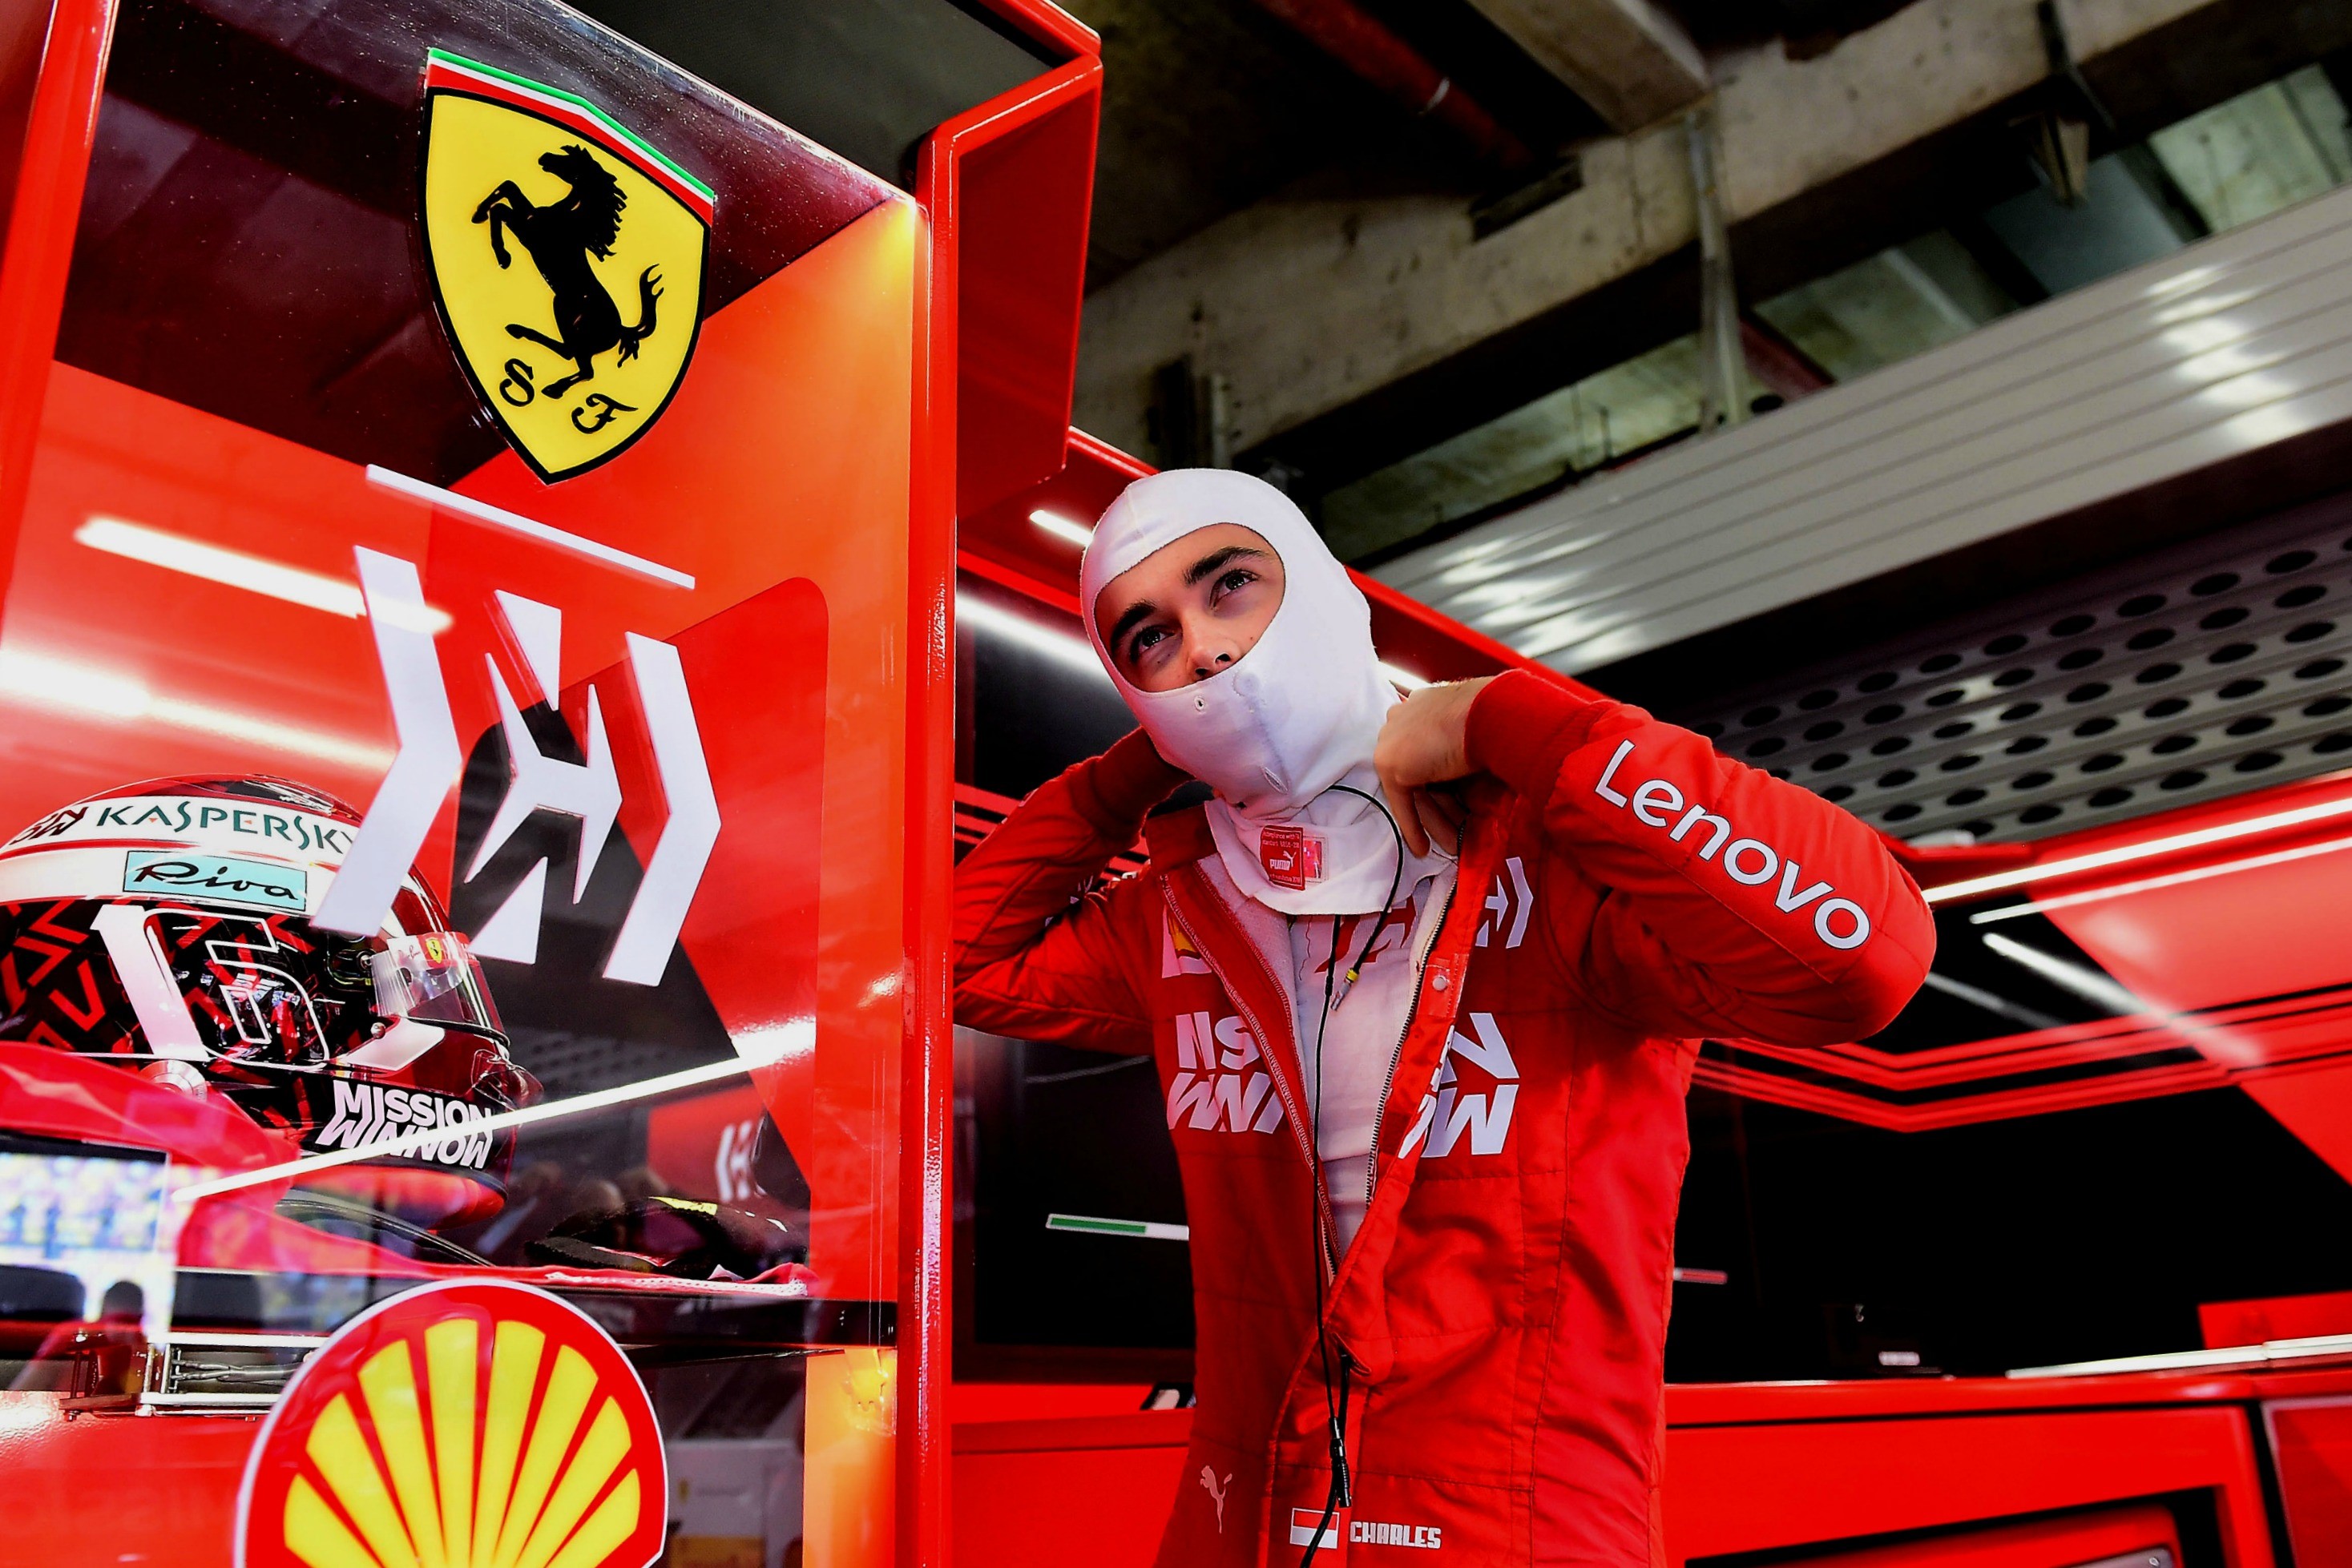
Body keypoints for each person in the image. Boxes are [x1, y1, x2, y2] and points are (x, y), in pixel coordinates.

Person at [954, 470, 1934, 1566]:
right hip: (1245, 1515)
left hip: (1520, 1525)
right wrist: (1130, 769)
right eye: (1146, 640)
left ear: (1324, 590)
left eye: (1230, 585)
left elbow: (1865, 955)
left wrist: (1510, 716)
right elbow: (945, 961)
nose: (1206, 651)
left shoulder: (1555, 855)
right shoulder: (1173, 908)